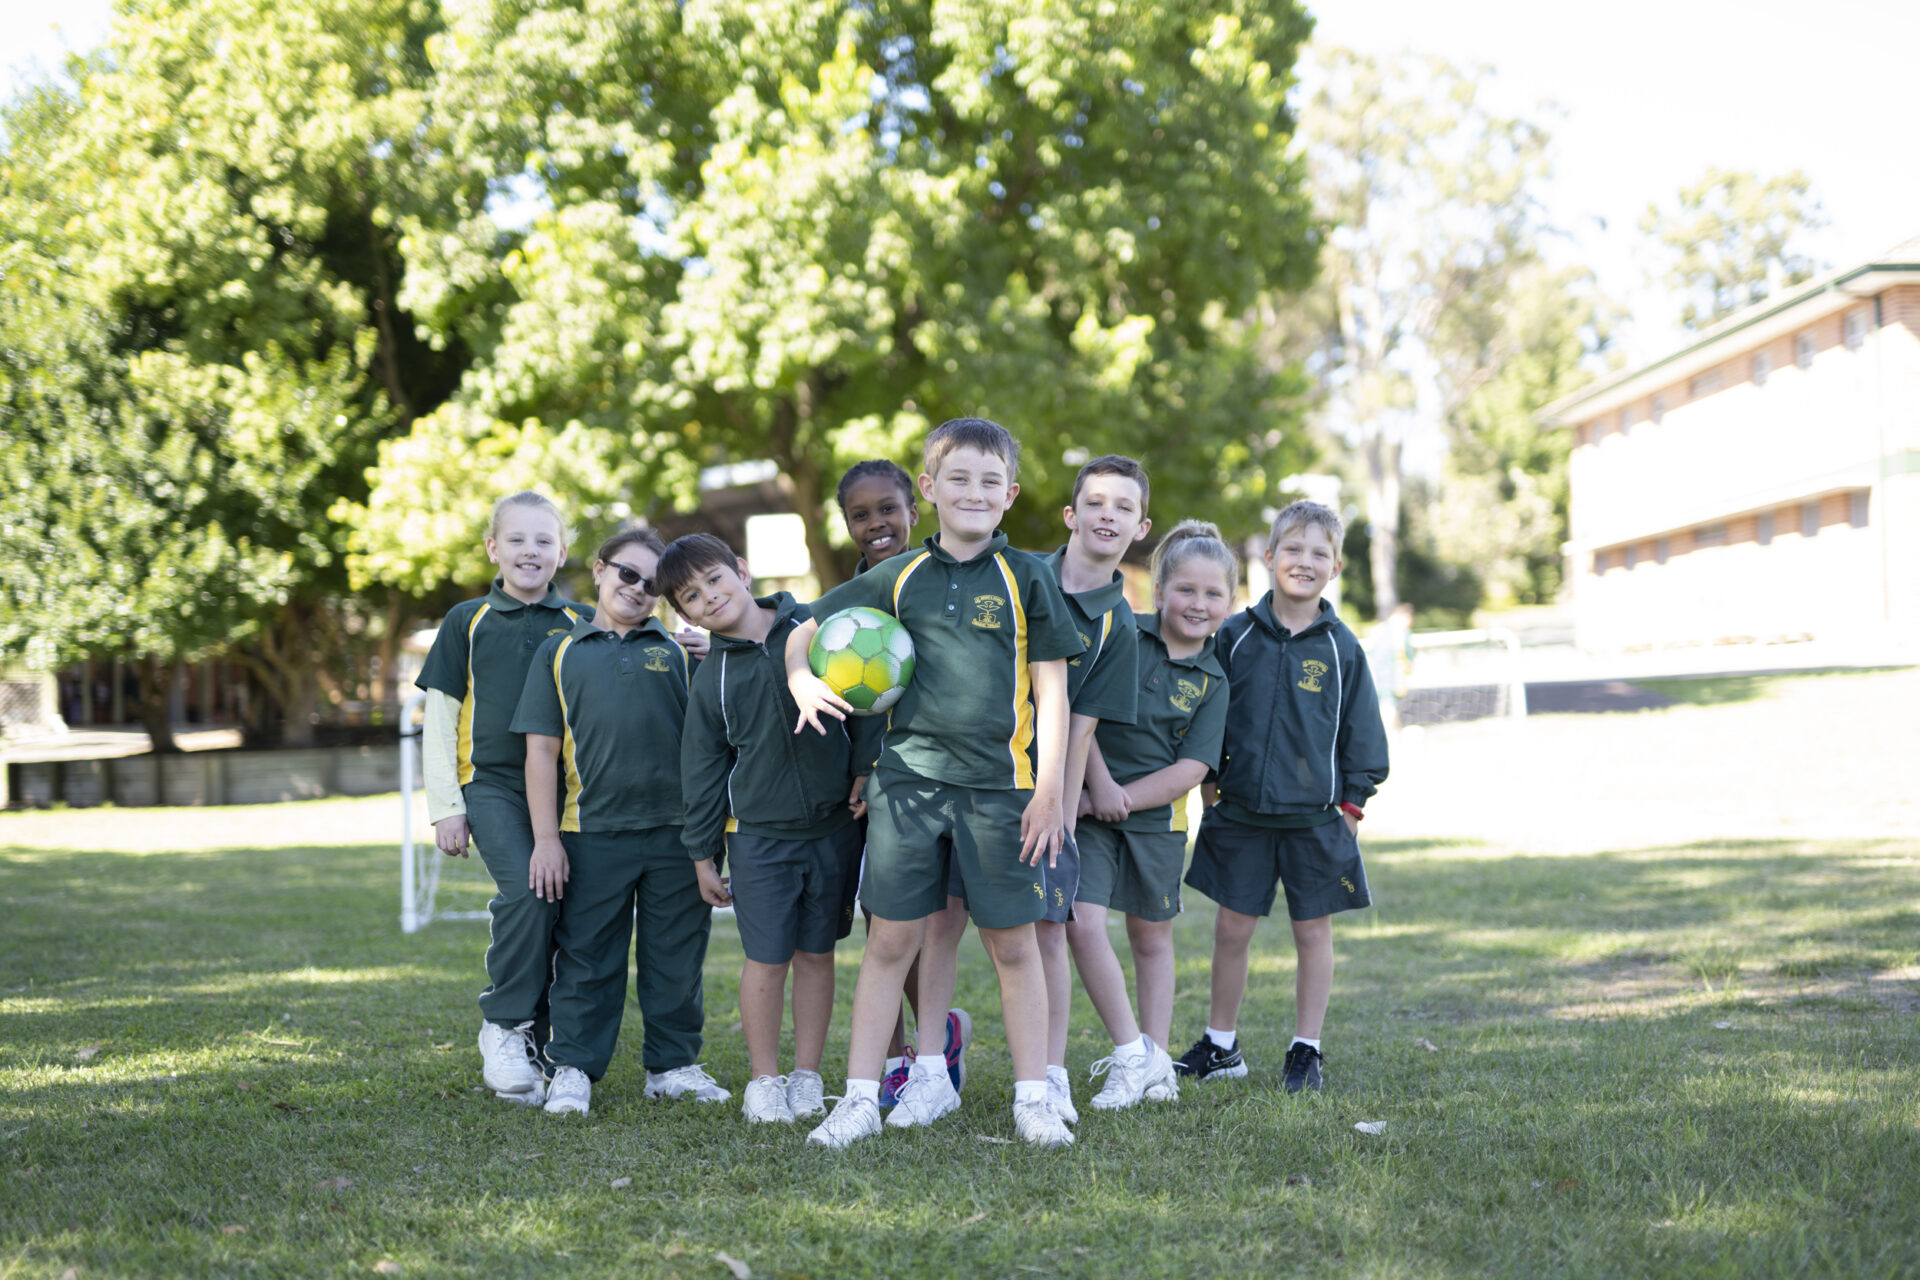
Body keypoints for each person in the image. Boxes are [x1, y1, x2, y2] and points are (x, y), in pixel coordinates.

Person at [789, 417, 1084, 1149]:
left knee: (1012, 946)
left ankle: (1033, 1098)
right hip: (908, 789)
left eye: (990, 482)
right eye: (958, 478)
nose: (974, 493)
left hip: (1000, 791)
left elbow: (1052, 689)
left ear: (1010, 494)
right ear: (929, 488)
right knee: (892, 943)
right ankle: (859, 1098)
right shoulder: (900, 576)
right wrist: (799, 676)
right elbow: (802, 625)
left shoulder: (1028, 578)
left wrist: (1049, 792)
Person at [914, 453, 1153, 1126]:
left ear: (1141, 526)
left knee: (1050, 933)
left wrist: (1060, 806)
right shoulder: (1016, 572)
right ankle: (929, 1068)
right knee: (942, 921)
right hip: (959, 783)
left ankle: (1048, 1077)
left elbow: (1079, 727)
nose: (1108, 515)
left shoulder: (1118, 623)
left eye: (1123, 507)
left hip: (1036, 799)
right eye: (1096, 502)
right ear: (1072, 515)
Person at [510, 527, 730, 1115]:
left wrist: (711, 657)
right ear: (600, 569)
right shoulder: (560, 652)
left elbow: (714, 741)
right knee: (586, 956)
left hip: (678, 837)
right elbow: (540, 752)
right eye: (626, 574)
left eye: (652, 583)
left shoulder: (687, 651)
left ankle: (673, 1065)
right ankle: (574, 1067)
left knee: (676, 957)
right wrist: (546, 839)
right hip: (592, 833)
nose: (637, 588)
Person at [656, 533, 874, 1125]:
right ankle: (764, 1079)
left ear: (742, 571)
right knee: (767, 960)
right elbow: (700, 770)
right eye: (691, 598)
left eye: (715, 580)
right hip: (757, 839)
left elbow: (870, 701)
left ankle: (806, 1076)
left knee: (817, 955)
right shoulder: (712, 678)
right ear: (684, 615)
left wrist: (864, 770)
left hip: (833, 831)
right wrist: (703, 854)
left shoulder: (818, 627)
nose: (708, 599)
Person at [1176, 500, 1389, 1093]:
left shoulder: (1343, 649)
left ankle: (1306, 1047)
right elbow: (1207, 717)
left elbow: (1363, 737)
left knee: (1312, 932)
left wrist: (1350, 808)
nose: (1304, 561)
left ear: (1336, 567)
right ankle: (1221, 1046)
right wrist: (1212, 791)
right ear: (1268, 558)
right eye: (1292, 549)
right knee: (1231, 930)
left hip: (1316, 820)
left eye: (1319, 552)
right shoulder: (1235, 637)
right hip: (1239, 816)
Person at [414, 491, 584, 1107]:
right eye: (516, 540)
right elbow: (440, 717)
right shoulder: (467, 620)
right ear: (493, 548)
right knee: (529, 890)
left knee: (566, 908)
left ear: (562, 552)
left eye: (544, 541)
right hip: (488, 785)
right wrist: (445, 806)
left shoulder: (581, 623)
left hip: (566, 793)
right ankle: (504, 1024)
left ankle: (544, 1041)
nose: (530, 551)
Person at [1068, 520, 1236, 1109]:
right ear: (1158, 591)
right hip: (1088, 810)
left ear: (1229, 603)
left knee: (1150, 938)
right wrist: (1099, 790)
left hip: (1156, 824)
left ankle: (1158, 1058)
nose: (1198, 603)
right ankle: (1131, 1055)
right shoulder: (1121, 636)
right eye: (1185, 590)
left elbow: (1192, 770)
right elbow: (1077, 712)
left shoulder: (1215, 680)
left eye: (1213, 594)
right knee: (1080, 924)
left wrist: (1122, 799)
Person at [835, 461, 971, 1107]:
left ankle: (938, 1037)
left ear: (914, 508)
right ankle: (895, 1058)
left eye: (886, 508)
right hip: (868, 788)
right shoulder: (853, 596)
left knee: (930, 925)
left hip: (941, 780)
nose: (876, 524)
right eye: (860, 515)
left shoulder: (942, 581)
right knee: (881, 924)